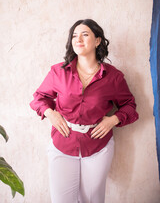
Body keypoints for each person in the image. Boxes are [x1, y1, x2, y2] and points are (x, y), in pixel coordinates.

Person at [30, 19, 139, 203]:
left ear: (97, 41)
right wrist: (51, 113)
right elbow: (39, 98)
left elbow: (130, 106)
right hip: (62, 145)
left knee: (92, 199)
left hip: (98, 147)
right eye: (74, 35)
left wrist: (113, 120)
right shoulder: (58, 72)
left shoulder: (113, 77)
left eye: (85, 34)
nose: (78, 39)